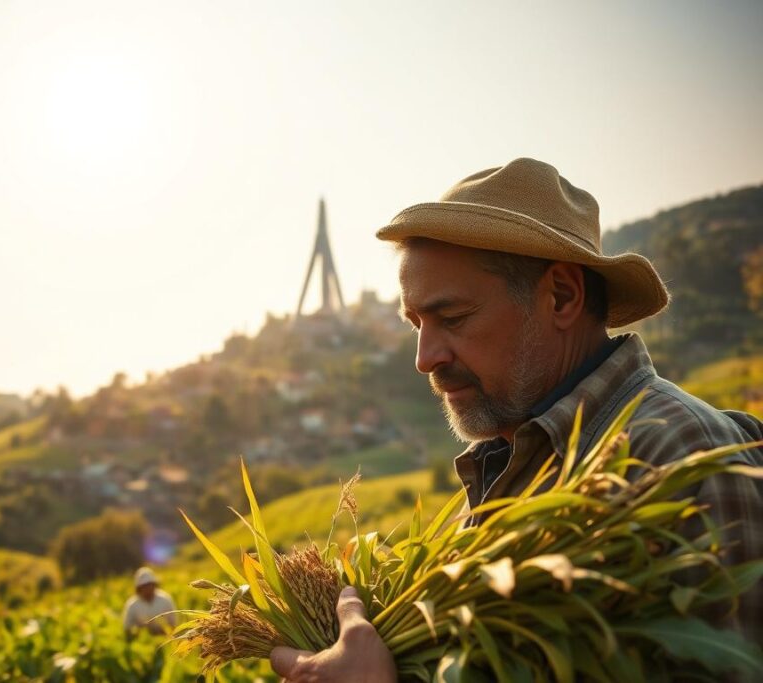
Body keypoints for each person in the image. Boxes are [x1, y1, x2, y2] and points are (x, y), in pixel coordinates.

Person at [270, 158, 763, 681]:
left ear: (563, 296)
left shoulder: (681, 454)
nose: (425, 357)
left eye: (452, 318)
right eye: (415, 324)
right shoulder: (491, 485)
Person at [122, 566, 177, 635]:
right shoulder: (132, 604)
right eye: (144, 586)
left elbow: (173, 623)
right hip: (142, 641)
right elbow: (127, 627)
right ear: (139, 588)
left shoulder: (165, 599)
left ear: (154, 585)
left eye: (150, 585)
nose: (148, 588)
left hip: (165, 637)